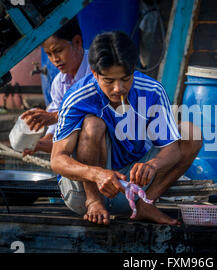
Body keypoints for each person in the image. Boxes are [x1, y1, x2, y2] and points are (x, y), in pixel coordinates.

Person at [51, 31, 202, 225]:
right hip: (82, 194)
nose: (118, 88)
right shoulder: (78, 97)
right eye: (109, 81)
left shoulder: (152, 91)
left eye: (125, 78)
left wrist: (152, 165)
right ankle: (94, 201)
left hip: (132, 190)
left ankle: (147, 205)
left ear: (133, 69)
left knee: (191, 133)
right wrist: (97, 173)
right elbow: (57, 160)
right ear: (94, 73)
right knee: (92, 124)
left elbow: (172, 148)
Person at [20, 17, 91, 155]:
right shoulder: (59, 83)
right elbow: (56, 132)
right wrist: (37, 144)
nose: (54, 59)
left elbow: (98, 110)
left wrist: (54, 117)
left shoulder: (98, 70)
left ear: (77, 42)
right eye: (49, 54)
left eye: (58, 51)